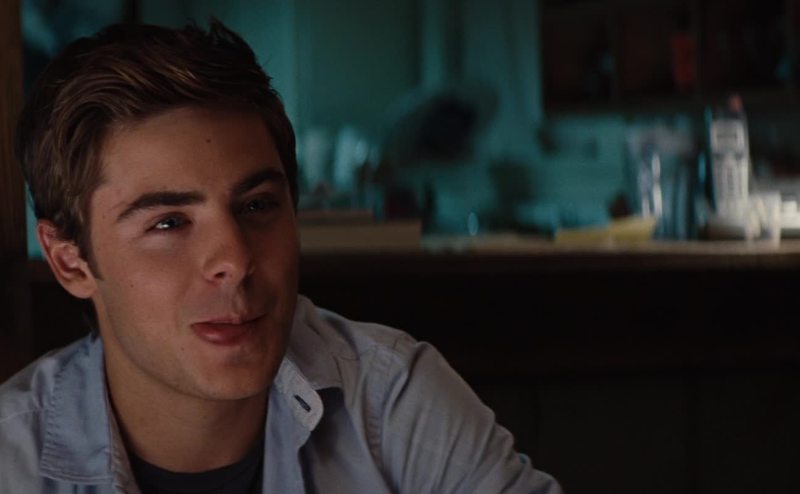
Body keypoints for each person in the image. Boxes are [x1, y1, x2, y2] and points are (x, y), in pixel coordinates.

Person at [0, 20, 561, 494]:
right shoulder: (12, 457)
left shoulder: (390, 399)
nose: (236, 259)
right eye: (168, 222)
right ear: (71, 262)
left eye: (257, 205)